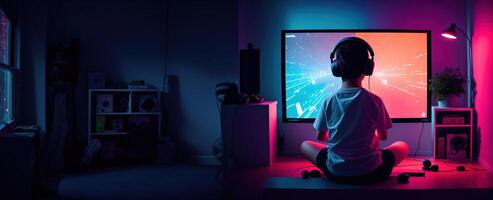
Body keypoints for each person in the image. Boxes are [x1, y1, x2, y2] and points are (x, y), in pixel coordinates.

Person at [300, 37, 409, 184]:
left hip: (336, 173)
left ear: (336, 68)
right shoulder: (375, 100)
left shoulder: (328, 101)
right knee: (403, 145)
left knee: (305, 145)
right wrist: (362, 139)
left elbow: (320, 137)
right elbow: (383, 137)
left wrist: (342, 138)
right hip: (373, 172)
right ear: (368, 68)